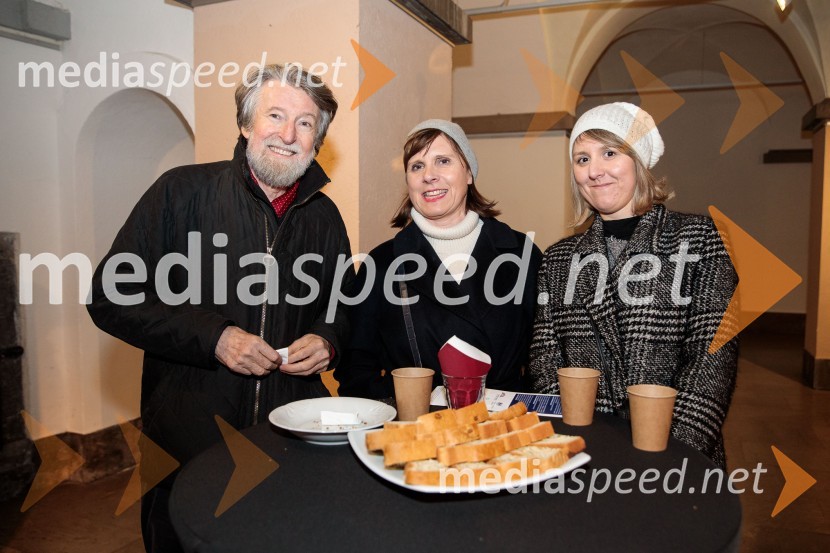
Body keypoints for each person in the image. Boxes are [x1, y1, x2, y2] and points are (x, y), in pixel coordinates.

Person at [87, 64, 353, 552]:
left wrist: (328, 339)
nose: (288, 134)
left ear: (318, 140)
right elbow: (110, 295)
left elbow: (342, 304)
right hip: (188, 443)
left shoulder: (326, 217)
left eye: (305, 123)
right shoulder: (179, 192)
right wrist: (214, 337)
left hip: (288, 442)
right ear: (245, 124)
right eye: (275, 115)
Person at [529, 102, 738, 468]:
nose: (595, 171)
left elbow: (712, 362)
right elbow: (545, 360)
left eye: (609, 153)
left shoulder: (701, 239)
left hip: (674, 457)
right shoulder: (558, 258)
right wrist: (572, 439)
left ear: (637, 161)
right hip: (584, 453)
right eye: (582, 159)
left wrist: (669, 451)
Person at [336, 119, 541, 399]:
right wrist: (406, 404)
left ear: (468, 172)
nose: (428, 175)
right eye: (417, 166)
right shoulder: (382, 263)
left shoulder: (521, 252)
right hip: (420, 429)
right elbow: (356, 367)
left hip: (504, 425)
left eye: (443, 161)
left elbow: (545, 354)